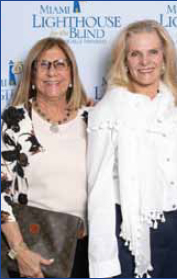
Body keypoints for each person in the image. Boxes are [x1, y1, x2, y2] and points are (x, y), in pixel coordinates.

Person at [87, 20, 177, 278]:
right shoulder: (108, 110)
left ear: (164, 57)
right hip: (130, 229)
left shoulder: (174, 104)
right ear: (124, 61)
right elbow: (99, 190)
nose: (145, 61)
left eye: (153, 52)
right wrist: (103, 260)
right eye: (135, 53)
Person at [1, 37, 89, 278]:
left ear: (71, 73)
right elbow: (1, 193)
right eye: (43, 64)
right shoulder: (15, 120)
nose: (52, 72)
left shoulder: (91, 118)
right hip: (34, 250)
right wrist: (19, 252)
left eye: (60, 64)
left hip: (88, 251)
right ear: (32, 73)